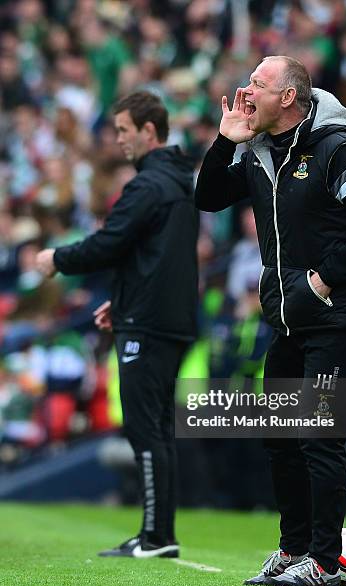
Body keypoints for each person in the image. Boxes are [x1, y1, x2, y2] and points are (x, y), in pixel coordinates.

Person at [195, 55, 346, 586]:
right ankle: (294, 550)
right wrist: (225, 140)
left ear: (287, 97)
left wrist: (323, 281)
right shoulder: (260, 151)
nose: (245, 91)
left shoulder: (337, 148)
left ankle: (327, 562)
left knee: (318, 437)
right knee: (282, 437)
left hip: (340, 317)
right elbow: (208, 197)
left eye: (257, 84)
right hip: (287, 320)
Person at [36, 91, 199, 559]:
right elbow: (153, 257)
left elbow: (109, 243)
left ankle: (154, 537)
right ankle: (159, 534)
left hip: (148, 325)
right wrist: (123, 300)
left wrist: (56, 259)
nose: (119, 139)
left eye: (125, 130)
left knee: (146, 431)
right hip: (164, 317)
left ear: (150, 131)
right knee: (159, 430)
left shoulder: (147, 186)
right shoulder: (180, 181)